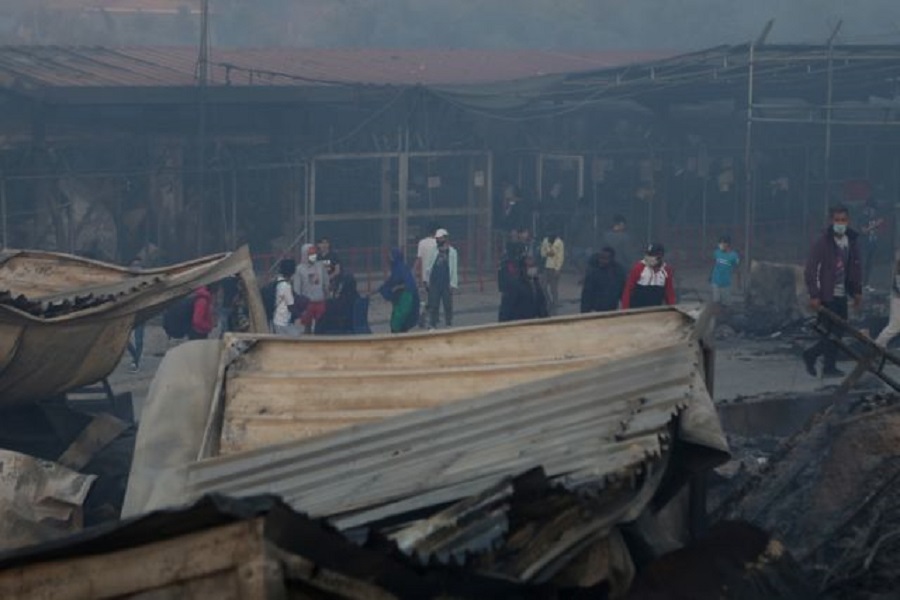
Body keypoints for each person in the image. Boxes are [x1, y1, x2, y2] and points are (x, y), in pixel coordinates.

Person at [802, 205, 863, 378]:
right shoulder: (822, 242)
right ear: (831, 221)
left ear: (848, 221)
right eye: (837, 220)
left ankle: (826, 364)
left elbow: (856, 267)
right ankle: (815, 357)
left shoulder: (851, 241)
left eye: (843, 220)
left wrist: (857, 291)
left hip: (843, 293)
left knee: (838, 332)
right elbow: (810, 269)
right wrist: (814, 294)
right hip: (826, 295)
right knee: (831, 332)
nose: (840, 224)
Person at [621, 243, 676, 309]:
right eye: (649, 254)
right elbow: (628, 290)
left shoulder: (666, 270)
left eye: (653, 255)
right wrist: (625, 309)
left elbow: (669, 292)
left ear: (661, 255)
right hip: (637, 309)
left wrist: (672, 307)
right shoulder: (638, 268)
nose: (650, 257)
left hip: (656, 309)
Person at [379, 248, 421, 333]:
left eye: (391, 257)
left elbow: (408, 283)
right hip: (400, 299)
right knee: (397, 319)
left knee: (400, 319)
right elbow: (390, 282)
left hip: (405, 298)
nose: (389, 259)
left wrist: (397, 287)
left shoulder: (402, 269)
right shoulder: (396, 269)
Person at [423, 228, 458, 329]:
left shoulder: (452, 252)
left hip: (446, 282)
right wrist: (426, 280)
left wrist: (453, 283)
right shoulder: (433, 251)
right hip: (434, 282)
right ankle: (432, 324)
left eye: (440, 238)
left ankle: (448, 323)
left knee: (447, 304)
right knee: (433, 304)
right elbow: (428, 266)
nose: (438, 240)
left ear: (445, 238)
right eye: (437, 239)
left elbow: (454, 268)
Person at [499, 255, 548, 322]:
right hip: (517, 324)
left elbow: (542, 306)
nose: (533, 269)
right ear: (523, 268)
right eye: (530, 267)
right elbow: (505, 310)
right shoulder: (514, 285)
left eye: (534, 266)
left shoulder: (536, 284)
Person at [293, 243, 329, 334]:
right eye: (310, 254)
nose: (313, 256)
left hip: (320, 300)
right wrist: (298, 303)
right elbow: (297, 288)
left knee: (321, 327)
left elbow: (325, 282)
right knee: (307, 327)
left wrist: (327, 294)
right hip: (307, 303)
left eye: (314, 254)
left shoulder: (320, 266)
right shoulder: (299, 269)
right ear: (305, 255)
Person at [580, 247, 625, 313]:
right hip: (595, 310)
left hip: (611, 310)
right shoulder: (593, 272)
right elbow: (586, 294)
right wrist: (585, 311)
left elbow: (621, 290)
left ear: (611, 259)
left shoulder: (617, 273)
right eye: (601, 258)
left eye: (605, 259)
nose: (602, 261)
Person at [415, 222, 440, 328]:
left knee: (424, 299)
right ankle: (432, 320)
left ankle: (422, 316)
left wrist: (417, 275)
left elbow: (419, 260)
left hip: (424, 277)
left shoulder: (422, 243)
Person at [874, 255, 900, 348]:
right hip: (898, 298)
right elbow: (898, 283)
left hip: (897, 295)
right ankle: (877, 347)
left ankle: (878, 347)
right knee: (895, 326)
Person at [710, 235, 741, 307]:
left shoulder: (734, 255)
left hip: (726, 282)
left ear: (728, 244)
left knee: (726, 303)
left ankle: (725, 315)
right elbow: (713, 264)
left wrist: (739, 282)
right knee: (716, 301)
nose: (721, 245)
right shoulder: (716, 253)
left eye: (724, 243)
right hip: (716, 280)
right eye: (720, 243)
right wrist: (710, 275)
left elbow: (737, 268)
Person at [272, 259, 300, 336]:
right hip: (283, 322)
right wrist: (300, 316)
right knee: (297, 336)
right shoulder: (286, 286)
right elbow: (291, 306)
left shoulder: (278, 281)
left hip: (276, 319)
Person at [860, 199, 884, 289]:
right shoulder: (862, 217)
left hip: (872, 244)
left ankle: (866, 284)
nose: (874, 212)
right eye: (873, 209)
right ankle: (859, 284)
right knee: (863, 264)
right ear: (868, 208)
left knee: (869, 265)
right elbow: (863, 231)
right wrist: (875, 225)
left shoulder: (873, 218)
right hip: (864, 245)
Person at [126, 257, 144, 371]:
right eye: (134, 265)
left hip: (141, 313)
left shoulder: (145, 282)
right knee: (125, 339)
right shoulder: (127, 283)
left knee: (139, 340)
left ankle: (135, 361)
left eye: (138, 266)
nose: (136, 268)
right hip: (129, 313)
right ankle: (134, 356)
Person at [540, 232, 565, 315]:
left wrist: (558, 269)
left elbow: (560, 256)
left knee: (553, 289)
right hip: (546, 267)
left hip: (554, 268)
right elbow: (542, 253)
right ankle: (548, 301)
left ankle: (555, 305)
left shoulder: (559, 242)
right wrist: (547, 253)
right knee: (543, 286)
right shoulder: (545, 240)